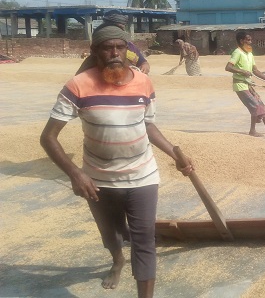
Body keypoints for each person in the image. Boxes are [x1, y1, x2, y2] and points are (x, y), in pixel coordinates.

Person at [39, 22, 195, 297]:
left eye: (120, 47)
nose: (114, 53)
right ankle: (117, 260)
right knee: (111, 234)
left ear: (128, 50)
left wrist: (175, 154)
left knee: (144, 239)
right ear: (95, 51)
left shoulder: (143, 82)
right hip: (98, 180)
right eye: (107, 48)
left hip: (142, 175)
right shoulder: (78, 85)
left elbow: (148, 126)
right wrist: (75, 173)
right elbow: (48, 137)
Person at [225, 31, 265, 137]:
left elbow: (255, 71)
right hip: (240, 85)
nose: (251, 42)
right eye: (248, 40)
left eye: (251, 40)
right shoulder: (237, 52)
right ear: (242, 41)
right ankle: (252, 131)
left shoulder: (249, 53)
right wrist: (242, 71)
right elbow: (228, 67)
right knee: (255, 106)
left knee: (260, 104)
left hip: (248, 84)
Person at [76, 11, 150, 75]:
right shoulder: (99, 49)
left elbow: (143, 62)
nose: (115, 53)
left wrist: (144, 66)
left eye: (121, 28)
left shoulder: (130, 46)